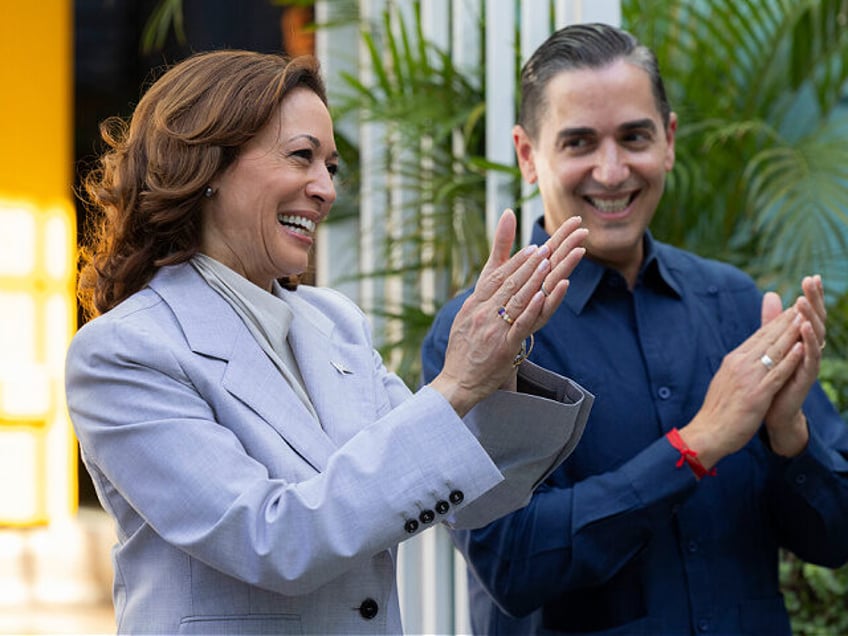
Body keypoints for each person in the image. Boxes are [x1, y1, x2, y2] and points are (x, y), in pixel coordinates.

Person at [65, 50, 596, 635]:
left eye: (331, 166)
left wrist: (500, 363)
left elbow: (474, 495)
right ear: (207, 166)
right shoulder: (123, 351)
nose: (324, 190)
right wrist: (457, 382)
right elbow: (274, 541)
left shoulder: (333, 321)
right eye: (301, 157)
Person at [422, 22, 848, 636]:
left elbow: (835, 541)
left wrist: (790, 437)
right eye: (579, 143)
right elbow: (511, 562)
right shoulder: (484, 335)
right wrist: (693, 448)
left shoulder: (733, 305)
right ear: (527, 154)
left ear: (669, 141)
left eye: (634, 137)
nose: (613, 169)